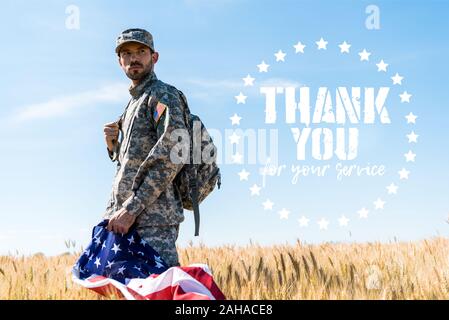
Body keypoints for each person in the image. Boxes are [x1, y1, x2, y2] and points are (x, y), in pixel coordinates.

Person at [102, 28, 188, 267]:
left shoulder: (162, 96)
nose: (134, 58)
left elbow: (173, 155)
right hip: (122, 219)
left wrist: (131, 209)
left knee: (157, 291)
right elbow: (135, 161)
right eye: (127, 53)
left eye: (141, 51)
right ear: (120, 62)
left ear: (154, 57)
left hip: (152, 222)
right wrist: (114, 148)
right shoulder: (132, 104)